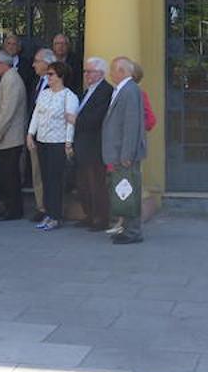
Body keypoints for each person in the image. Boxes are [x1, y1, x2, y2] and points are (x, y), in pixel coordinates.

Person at [27, 61, 79, 230]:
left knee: (56, 180)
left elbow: (70, 122)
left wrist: (68, 143)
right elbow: (36, 114)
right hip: (43, 142)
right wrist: (30, 134)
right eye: (47, 74)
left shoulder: (68, 96)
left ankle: (56, 216)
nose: (47, 77)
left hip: (58, 144)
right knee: (46, 180)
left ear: (60, 76)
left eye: (51, 74)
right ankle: (48, 213)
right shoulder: (44, 94)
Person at [102, 56, 147, 245]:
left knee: (129, 191)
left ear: (121, 71)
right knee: (123, 190)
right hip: (119, 153)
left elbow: (132, 125)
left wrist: (127, 154)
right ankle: (126, 228)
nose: (110, 73)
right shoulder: (123, 90)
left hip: (125, 154)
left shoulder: (129, 90)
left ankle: (133, 232)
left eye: (112, 69)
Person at [73, 56, 113, 231]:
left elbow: (98, 118)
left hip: (94, 144)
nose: (86, 74)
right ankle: (89, 215)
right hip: (82, 143)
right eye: (86, 71)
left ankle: (100, 218)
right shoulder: (88, 90)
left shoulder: (105, 90)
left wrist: (76, 120)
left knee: (96, 183)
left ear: (101, 73)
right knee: (83, 183)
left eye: (90, 71)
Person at [0, 50, 27, 220]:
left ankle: (13, 210)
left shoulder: (11, 79)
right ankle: (11, 208)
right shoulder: (8, 77)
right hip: (8, 136)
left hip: (10, 137)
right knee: (7, 175)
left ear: (2, 64)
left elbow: (8, 110)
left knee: (9, 175)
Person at [26, 47, 55, 221]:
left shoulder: (56, 82)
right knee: (37, 172)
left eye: (37, 61)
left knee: (48, 173)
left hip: (50, 136)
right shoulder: (38, 82)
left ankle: (49, 207)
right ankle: (41, 206)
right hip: (35, 135)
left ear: (46, 63)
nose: (33, 65)